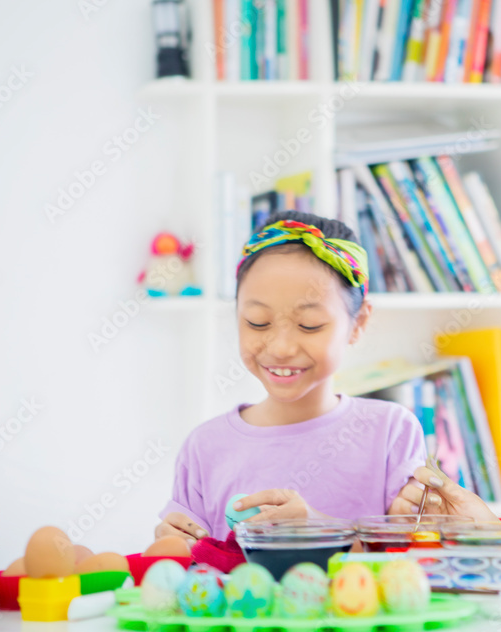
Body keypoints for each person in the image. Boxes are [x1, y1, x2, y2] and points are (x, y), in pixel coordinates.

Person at [155, 211, 433, 543]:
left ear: (357, 324)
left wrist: (320, 530)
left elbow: (408, 569)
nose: (282, 347)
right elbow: (185, 575)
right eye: (258, 322)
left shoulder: (390, 432)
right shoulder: (205, 447)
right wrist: (170, 546)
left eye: (309, 325)